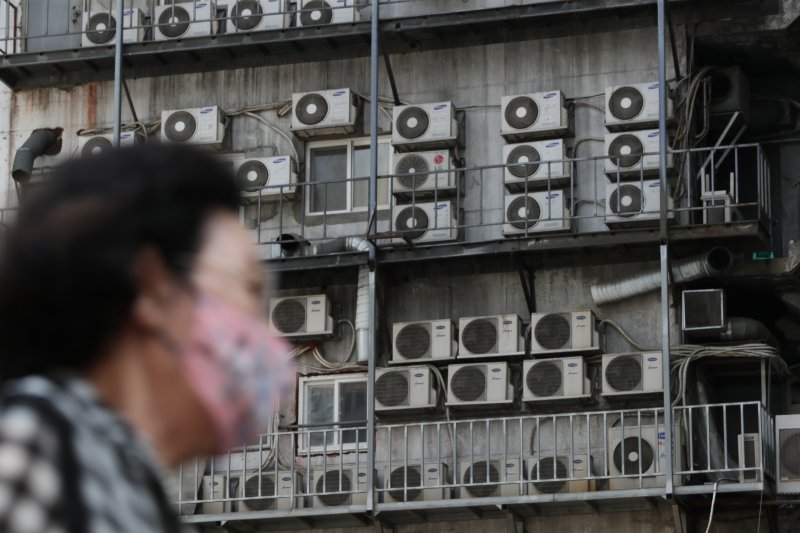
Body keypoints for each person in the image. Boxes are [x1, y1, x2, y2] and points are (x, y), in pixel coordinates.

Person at [0, 144, 292, 533]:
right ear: (153, 287)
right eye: (251, 288)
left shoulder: (118, 480)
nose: (269, 335)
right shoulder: (33, 448)